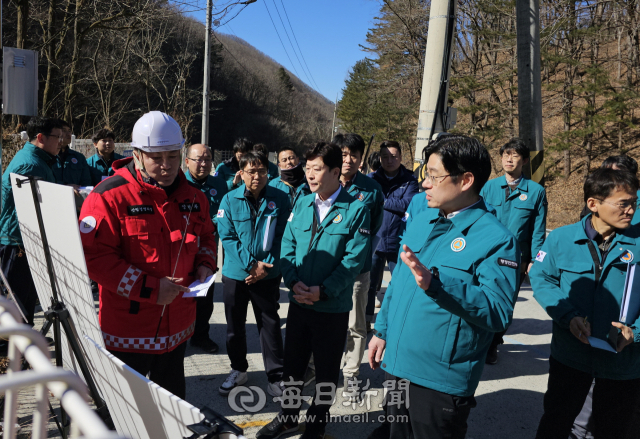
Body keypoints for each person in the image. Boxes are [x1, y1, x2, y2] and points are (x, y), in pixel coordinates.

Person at [368, 135, 520, 439]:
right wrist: (382, 331)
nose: (425, 183)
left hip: (439, 380)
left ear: (465, 180)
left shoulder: (497, 240)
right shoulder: (422, 219)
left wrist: (438, 284)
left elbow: (498, 311)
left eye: (434, 176)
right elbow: (398, 282)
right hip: (397, 365)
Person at [79, 111, 217, 399]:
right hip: (128, 332)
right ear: (138, 155)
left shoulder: (195, 197)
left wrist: (205, 264)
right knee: (126, 410)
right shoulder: (108, 197)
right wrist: (151, 289)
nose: (166, 166)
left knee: (172, 406)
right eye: (157, 158)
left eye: (172, 156)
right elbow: (96, 259)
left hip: (178, 326)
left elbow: (206, 237)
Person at [257, 142, 371, 439]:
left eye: (316, 168)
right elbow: (288, 246)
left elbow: (353, 260)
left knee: (326, 372)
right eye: (306, 168)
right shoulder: (303, 203)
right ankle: (288, 417)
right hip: (299, 302)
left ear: (335, 171)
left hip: (330, 308)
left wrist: (324, 290)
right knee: (293, 368)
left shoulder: (356, 209)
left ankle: (317, 426)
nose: (308, 174)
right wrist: (292, 282)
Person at [530, 167, 640, 439]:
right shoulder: (561, 238)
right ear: (593, 204)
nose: (631, 210)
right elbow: (542, 279)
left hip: (622, 364)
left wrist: (635, 331)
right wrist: (568, 316)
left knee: (613, 429)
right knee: (556, 421)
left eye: (634, 203)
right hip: (571, 356)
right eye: (623, 204)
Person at [216, 151, 291, 397]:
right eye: (251, 171)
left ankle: (276, 376)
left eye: (261, 171)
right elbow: (227, 236)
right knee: (234, 326)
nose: (257, 176)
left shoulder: (280, 199)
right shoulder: (228, 199)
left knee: (269, 324)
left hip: (267, 274)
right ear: (242, 173)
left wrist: (264, 266)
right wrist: (251, 265)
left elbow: (283, 236)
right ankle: (239, 369)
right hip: (236, 274)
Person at [479, 138, 547, 364]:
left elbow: (539, 230)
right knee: (482, 299)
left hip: (516, 259)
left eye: (515, 155)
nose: (509, 159)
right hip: (486, 256)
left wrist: (534, 260)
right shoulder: (489, 187)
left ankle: (494, 342)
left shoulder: (536, 191)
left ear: (525, 160)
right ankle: (480, 341)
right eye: (505, 154)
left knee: (505, 305)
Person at [331, 133, 383, 395]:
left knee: (356, 324)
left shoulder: (371, 189)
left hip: (357, 270)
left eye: (354, 154)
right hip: (326, 268)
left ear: (361, 159)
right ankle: (320, 367)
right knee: (326, 322)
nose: (348, 159)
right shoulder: (324, 183)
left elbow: (374, 228)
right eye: (343, 154)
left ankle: (351, 372)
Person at [0, 117, 63, 326]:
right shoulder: (30, 165)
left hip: (19, 237)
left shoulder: (34, 158)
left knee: (22, 298)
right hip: (17, 241)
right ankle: (14, 346)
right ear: (40, 137)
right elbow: (35, 207)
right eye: (57, 137)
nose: (61, 141)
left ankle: (22, 343)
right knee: (17, 299)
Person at [366, 141, 419, 330]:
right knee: (369, 286)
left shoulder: (410, 180)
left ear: (401, 157)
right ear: (380, 158)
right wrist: (391, 202)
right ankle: (366, 323)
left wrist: (382, 200)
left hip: (399, 241)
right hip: (375, 240)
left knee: (399, 286)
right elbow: (366, 203)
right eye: (385, 157)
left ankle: (392, 325)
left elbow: (408, 204)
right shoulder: (371, 179)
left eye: (393, 156)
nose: (389, 160)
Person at [184, 143, 228, 354]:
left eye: (208, 159)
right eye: (198, 159)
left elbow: (224, 215)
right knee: (179, 296)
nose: (203, 164)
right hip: (180, 251)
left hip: (208, 248)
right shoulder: (177, 183)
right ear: (187, 162)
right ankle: (178, 337)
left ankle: (201, 336)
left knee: (205, 298)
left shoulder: (219, 184)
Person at [269, 146, 311, 213]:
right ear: (279, 165)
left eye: (291, 158)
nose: (288, 162)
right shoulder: (273, 185)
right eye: (284, 160)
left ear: (297, 159)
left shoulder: (310, 182)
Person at [51, 119, 92, 188]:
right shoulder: (48, 155)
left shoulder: (79, 157)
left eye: (69, 131)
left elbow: (86, 182)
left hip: (77, 196)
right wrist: (65, 187)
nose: (68, 134)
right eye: (64, 130)